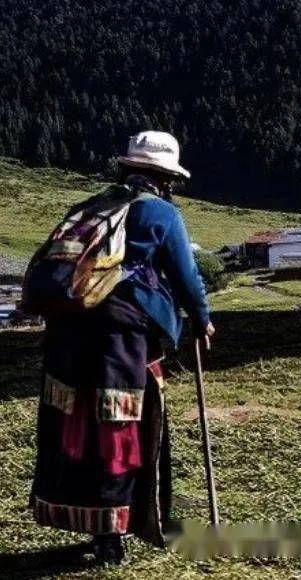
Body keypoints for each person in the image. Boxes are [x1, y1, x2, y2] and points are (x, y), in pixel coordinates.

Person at [29, 131, 215, 564]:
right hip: (123, 337)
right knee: (120, 426)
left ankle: (91, 525)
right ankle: (116, 532)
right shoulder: (161, 215)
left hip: (69, 336)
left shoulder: (90, 208)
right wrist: (201, 318)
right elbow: (186, 275)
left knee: (77, 426)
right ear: (165, 177)